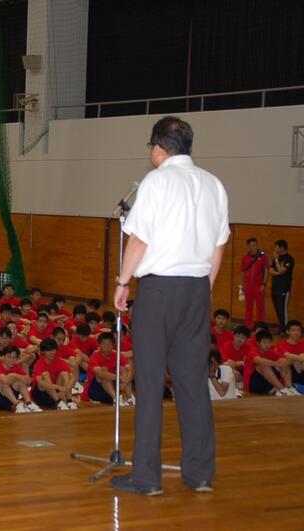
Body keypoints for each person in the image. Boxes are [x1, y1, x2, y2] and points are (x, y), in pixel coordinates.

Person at [111, 116, 230, 496]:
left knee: (148, 381)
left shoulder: (157, 182)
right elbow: (219, 243)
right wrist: (205, 285)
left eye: (151, 147)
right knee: (192, 382)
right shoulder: (214, 184)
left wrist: (123, 281)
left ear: (160, 147)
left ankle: (147, 476)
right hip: (197, 288)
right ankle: (199, 473)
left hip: (160, 290)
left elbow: (140, 240)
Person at [0, 345, 41, 413]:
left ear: (17, 359)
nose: (11, 360)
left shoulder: (16, 367)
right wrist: (17, 377)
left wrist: (15, 375)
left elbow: (28, 381)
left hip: (8, 400)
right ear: (3, 357)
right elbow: (5, 380)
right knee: (3, 384)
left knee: (20, 383)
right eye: (9, 357)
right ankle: (18, 405)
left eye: (14, 357)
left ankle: (29, 404)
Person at [244, 330, 298, 397]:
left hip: (267, 382)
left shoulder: (271, 351)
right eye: (264, 343)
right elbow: (260, 361)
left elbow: (285, 360)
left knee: (283, 362)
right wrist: (277, 364)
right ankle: (282, 389)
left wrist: (285, 362)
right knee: (263, 365)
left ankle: (289, 388)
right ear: (258, 343)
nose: (267, 345)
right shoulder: (253, 352)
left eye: (269, 342)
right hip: (252, 385)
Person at [31, 338, 77, 410]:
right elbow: (40, 382)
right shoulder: (38, 364)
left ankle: (69, 401)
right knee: (45, 374)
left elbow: (73, 378)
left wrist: (66, 389)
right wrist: (59, 387)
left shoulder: (59, 361)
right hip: (40, 395)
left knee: (64, 373)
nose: (52, 352)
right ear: (43, 352)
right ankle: (59, 403)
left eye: (53, 350)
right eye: (49, 350)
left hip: (55, 394)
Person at [240, 238, 269, 330]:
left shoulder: (263, 256)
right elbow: (242, 271)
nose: (254, 247)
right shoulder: (245, 258)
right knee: (248, 307)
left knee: (260, 306)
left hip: (259, 285)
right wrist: (243, 284)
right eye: (252, 245)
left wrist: (264, 284)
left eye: (255, 245)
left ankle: (260, 326)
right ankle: (249, 326)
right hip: (248, 285)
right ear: (248, 247)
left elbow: (266, 270)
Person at [269, 239, 295, 337]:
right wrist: (278, 272)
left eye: (276, 247)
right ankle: (281, 327)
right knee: (277, 308)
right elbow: (271, 270)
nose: (275, 249)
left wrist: (276, 261)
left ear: (282, 248)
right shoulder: (276, 258)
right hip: (275, 287)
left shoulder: (289, 259)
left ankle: (284, 330)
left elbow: (281, 270)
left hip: (283, 288)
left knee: (282, 309)